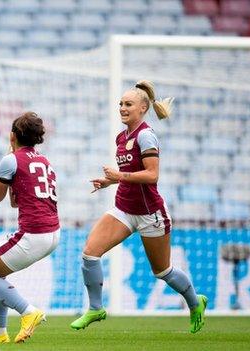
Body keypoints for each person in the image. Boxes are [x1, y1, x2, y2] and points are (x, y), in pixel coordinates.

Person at [70, 80, 207, 333]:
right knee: (90, 253)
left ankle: (194, 301)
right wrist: (108, 182)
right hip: (124, 208)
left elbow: (152, 175)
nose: (122, 108)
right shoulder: (121, 136)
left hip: (150, 214)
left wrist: (118, 177)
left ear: (143, 108)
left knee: (163, 271)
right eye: (121, 103)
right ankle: (96, 309)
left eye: (128, 104)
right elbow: (130, 174)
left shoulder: (146, 135)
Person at [0, 112, 60, 344]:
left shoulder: (11, 160)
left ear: (13, 136)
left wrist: (6, 166)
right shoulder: (44, 161)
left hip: (33, 233)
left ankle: (29, 312)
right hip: (53, 232)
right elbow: (16, 201)